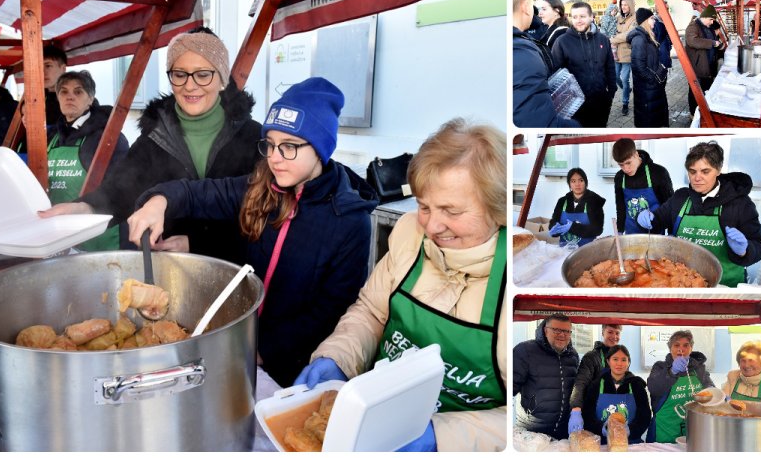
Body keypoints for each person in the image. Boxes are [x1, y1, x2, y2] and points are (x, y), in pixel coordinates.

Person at [128, 77, 378, 387]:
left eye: (289, 146)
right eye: (270, 144)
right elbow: (198, 194)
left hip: (293, 367)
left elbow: (332, 311)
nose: (274, 157)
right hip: (239, 342)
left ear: (320, 148)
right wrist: (159, 201)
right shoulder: (259, 186)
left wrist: (265, 350)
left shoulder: (349, 220)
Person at [292, 120, 507, 451]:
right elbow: (371, 313)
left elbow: (523, 417)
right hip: (373, 425)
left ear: (498, 210)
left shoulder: (517, 286)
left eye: (451, 210)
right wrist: (336, 358)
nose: (433, 225)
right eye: (424, 206)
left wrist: (441, 437)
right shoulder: (409, 234)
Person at [38, 27, 262, 261]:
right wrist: (85, 208)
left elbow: (262, 214)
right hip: (169, 264)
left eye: (203, 74)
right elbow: (121, 189)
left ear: (222, 79)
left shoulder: (252, 137)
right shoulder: (156, 136)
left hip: (234, 267)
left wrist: (198, 242)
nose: (190, 85)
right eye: (179, 74)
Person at [637, 141, 761, 287]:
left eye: (705, 171)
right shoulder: (680, 197)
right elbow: (657, 222)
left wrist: (745, 250)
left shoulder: (741, 204)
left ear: (718, 170)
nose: (697, 178)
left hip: (725, 287)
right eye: (692, 171)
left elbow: (759, 247)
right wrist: (647, 219)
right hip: (681, 282)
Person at [48, 70, 129, 251]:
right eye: (64, 92)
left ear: (90, 99)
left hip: (101, 238)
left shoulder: (108, 138)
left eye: (78, 92)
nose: (70, 97)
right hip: (62, 235)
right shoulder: (51, 137)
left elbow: (124, 187)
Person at [512, 0, 580, 128]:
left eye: (543, 9)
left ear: (557, 12)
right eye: (537, 8)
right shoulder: (525, 47)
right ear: (525, 7)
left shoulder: (560, 34)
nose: (539, 13)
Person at [514, 314, 579, 440]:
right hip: (532, 431)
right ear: (545, 330)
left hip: (563, 431)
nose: (562, 335)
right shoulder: (525, 351)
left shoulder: (573, 355)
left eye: (566, 331)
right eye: (556, 330)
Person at [552, 1, 617, 127]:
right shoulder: (562, 42)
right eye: (574, 17)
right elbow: (556, 75)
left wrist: (611, 91)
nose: (578, 20)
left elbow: (610, 66)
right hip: (576, 106)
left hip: (601, 101)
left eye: (582, 16)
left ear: (592, 17)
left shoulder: (603, 39)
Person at [647, 330, 714, 443]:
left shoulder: (699, 368)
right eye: (676, 345)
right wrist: (672, 372)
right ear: (670, 348)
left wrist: (718, 395)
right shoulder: (660, 367)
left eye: (686, 345)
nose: (681, 349)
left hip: (694, 431)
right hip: (664, 433)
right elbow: (653, 388)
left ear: (691, 348)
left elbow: (709, 386)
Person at [582, 345, 651, 444]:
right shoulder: (596, 385)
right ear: (608, 361)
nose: (619, 363)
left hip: (630, 442)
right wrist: (601, 429)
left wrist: (630, 430)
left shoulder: (637, 385)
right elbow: (587, 414)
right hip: (602, 442)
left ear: (628, 363)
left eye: (624, 360)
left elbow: (644, 416)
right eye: (615, 359)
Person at [568, 324, 623, 433]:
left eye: (617, 333)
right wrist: (576, 410)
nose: (614, 336)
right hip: (594, 414)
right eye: (610, 332)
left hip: (615, 412)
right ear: (603, 333)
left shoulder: (621, 357)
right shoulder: (592, 357)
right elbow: (580, 383)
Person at [612, 138, 673, 235]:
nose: (626, 169)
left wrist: (671, 232)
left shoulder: (658, 173)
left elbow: (670, 206)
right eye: (621, 165)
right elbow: (621, 207)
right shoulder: (619, 177)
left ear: (636, 154)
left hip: (654, 234)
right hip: (631, 234)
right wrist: (620, 231)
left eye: (628, 163)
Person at [628, 8, 669, 128]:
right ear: (645, 20)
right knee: (649, 121)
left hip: (652, 88)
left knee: (655, 119)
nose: (654, 21)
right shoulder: (639, 39)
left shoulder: (647, 36)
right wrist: (655, 79)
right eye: (652, 18)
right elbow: (638, 67)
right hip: (647, 89)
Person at [548, 167, 606, 247]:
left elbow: (597, 229)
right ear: (569, 184)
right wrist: (554, 228)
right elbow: (554, 221)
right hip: (564, 250)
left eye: (581, 180)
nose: (577, 184)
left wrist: (572, 227)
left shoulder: (594, 202)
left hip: (586, 250)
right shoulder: (562, 201)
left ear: (585, 182)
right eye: (573, 181)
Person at [684, 5, 724, 116]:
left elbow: (714, 41)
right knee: (695, 92)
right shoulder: (693, 26)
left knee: (706, 89)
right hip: (697, 66)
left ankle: (703, 113)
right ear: (705, 17)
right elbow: (692, 41)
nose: (712, 22)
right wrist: (711, 43)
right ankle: (693, 114)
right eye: (711, 19)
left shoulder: (709, 27)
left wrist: (719, 46)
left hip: (708, 65)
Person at [609, 0, 637, 116]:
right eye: (622, 5)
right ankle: (628, 89)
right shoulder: (618, 18)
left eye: (626, 5)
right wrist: (616, 36)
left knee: (625, 79)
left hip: (627, 54)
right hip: (615, 53)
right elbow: (611, 30)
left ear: (630, 5)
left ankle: (625, 103)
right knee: (615, 76)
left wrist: (614, 38)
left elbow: (628, 35)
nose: (623, 7)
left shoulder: (635, 19)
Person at [43, 45, 67, 130]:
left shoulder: (80, 98)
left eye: (48, 66)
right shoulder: (36, 99)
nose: (42, 71)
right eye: (38, 66)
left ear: (63, 69)